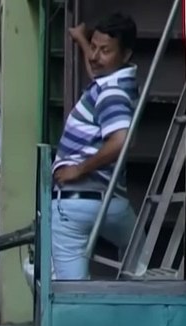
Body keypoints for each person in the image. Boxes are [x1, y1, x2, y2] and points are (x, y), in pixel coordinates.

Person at [50, 13, 139, 280]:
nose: (94, 56)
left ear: (125, 55)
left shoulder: (112, 94)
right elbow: (96, 68)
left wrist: (79, 169)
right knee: (141, 259)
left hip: (75, 202)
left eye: (105, 51)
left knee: (70, 291)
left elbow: (122, 140)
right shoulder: (117, 81)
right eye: (95, 47)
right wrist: (81, 40)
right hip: (112, 203)